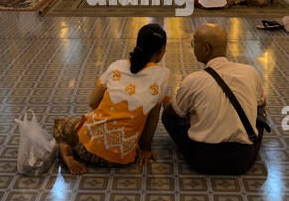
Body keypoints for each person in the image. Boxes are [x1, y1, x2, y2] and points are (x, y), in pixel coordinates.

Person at [54, 24, 170, 174]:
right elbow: (153, 118)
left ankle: (67, 153)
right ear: (161, 52)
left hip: (87, 150)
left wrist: (110, 116)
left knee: (63, 125)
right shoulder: (163, 75)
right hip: (123, 155)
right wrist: (146, 149)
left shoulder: (118, 66)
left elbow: (92, 102)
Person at [162, 23, 266, 175]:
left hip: (203, 159)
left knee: (169, 114)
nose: (193, 47)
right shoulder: (250, 72)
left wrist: (166, 103)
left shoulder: (193, 80)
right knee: (260, 105)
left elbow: (177, 113)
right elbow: (262, 102)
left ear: (206, 48)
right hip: (243, 160)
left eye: (194, 42)